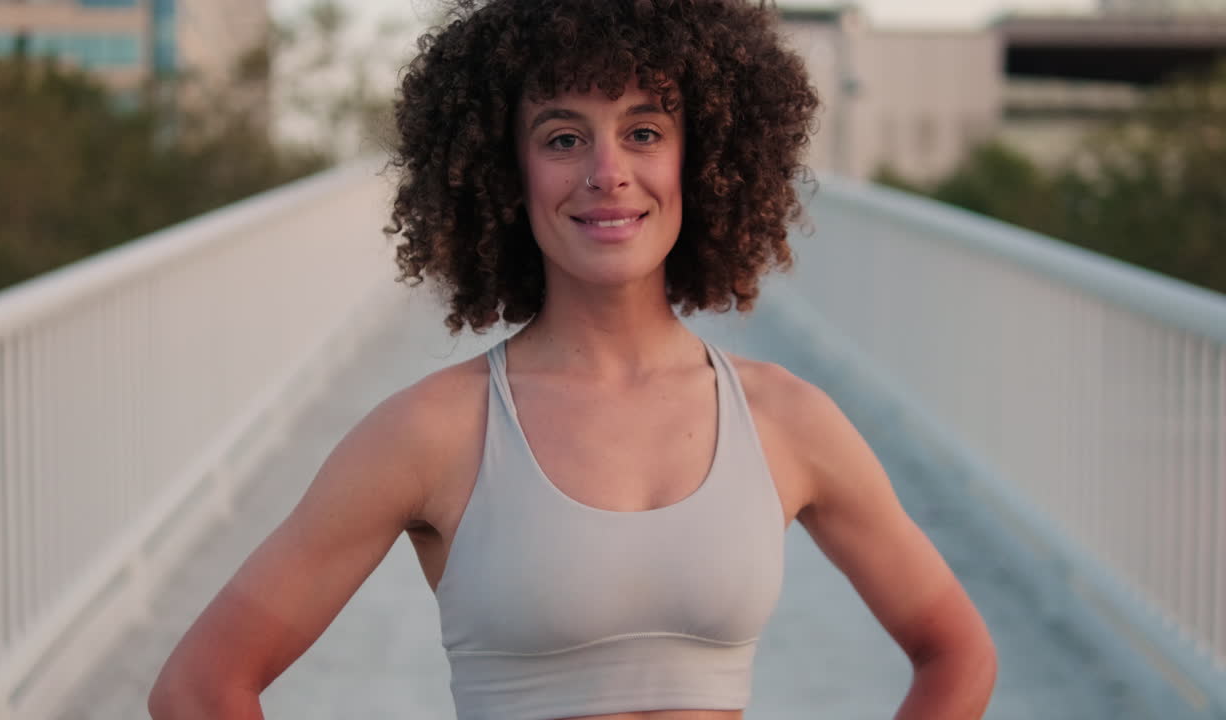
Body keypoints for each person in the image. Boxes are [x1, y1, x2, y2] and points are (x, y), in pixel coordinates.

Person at [148, 0, 998, 718]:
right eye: (562, 138)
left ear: (699, 160)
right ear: (506, 174)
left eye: (643, 130)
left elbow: (956, 652)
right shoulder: (432, 432)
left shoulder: (786, 420)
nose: (607, 172)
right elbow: (199, 686)